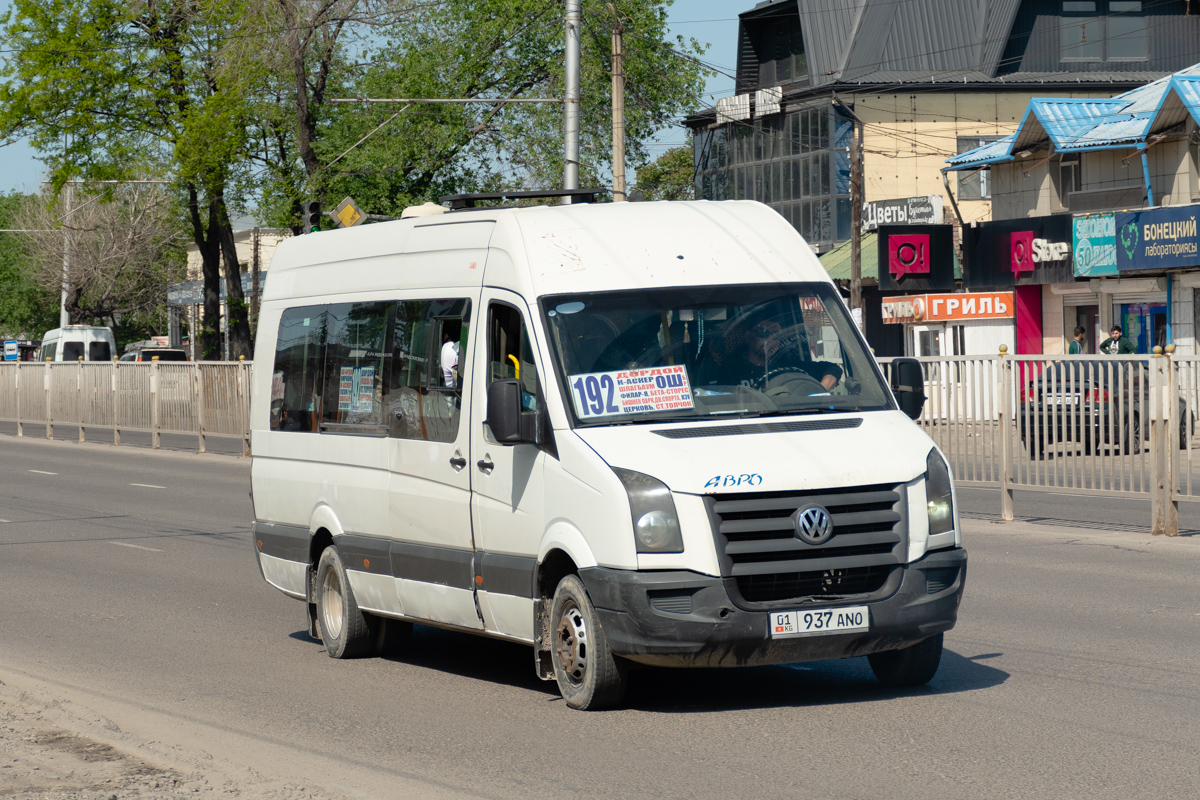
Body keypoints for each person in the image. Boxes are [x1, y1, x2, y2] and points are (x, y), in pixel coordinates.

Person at [698, 317, 842, 392]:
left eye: (776, 335)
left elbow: (832, 369)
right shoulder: (731, 368)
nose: (770, 340)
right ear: (748, 336)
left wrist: (821, 393)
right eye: (763, 333)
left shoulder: (789, 364)